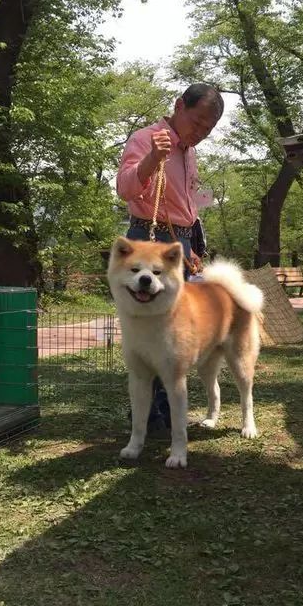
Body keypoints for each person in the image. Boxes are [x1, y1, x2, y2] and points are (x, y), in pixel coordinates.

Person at [116, 83, 224, 433]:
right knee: (151, 331)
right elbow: (125, 189)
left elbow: (185, 206)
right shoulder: (147, 138)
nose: (200, 133)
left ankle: (159, 416)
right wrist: (152, 159)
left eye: (208, 129)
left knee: (177, 333)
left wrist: (194, 248)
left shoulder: (188, 151)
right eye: (196, 123)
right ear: (179, 106)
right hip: (150, 239)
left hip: (181, 243)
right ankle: (149, 418)